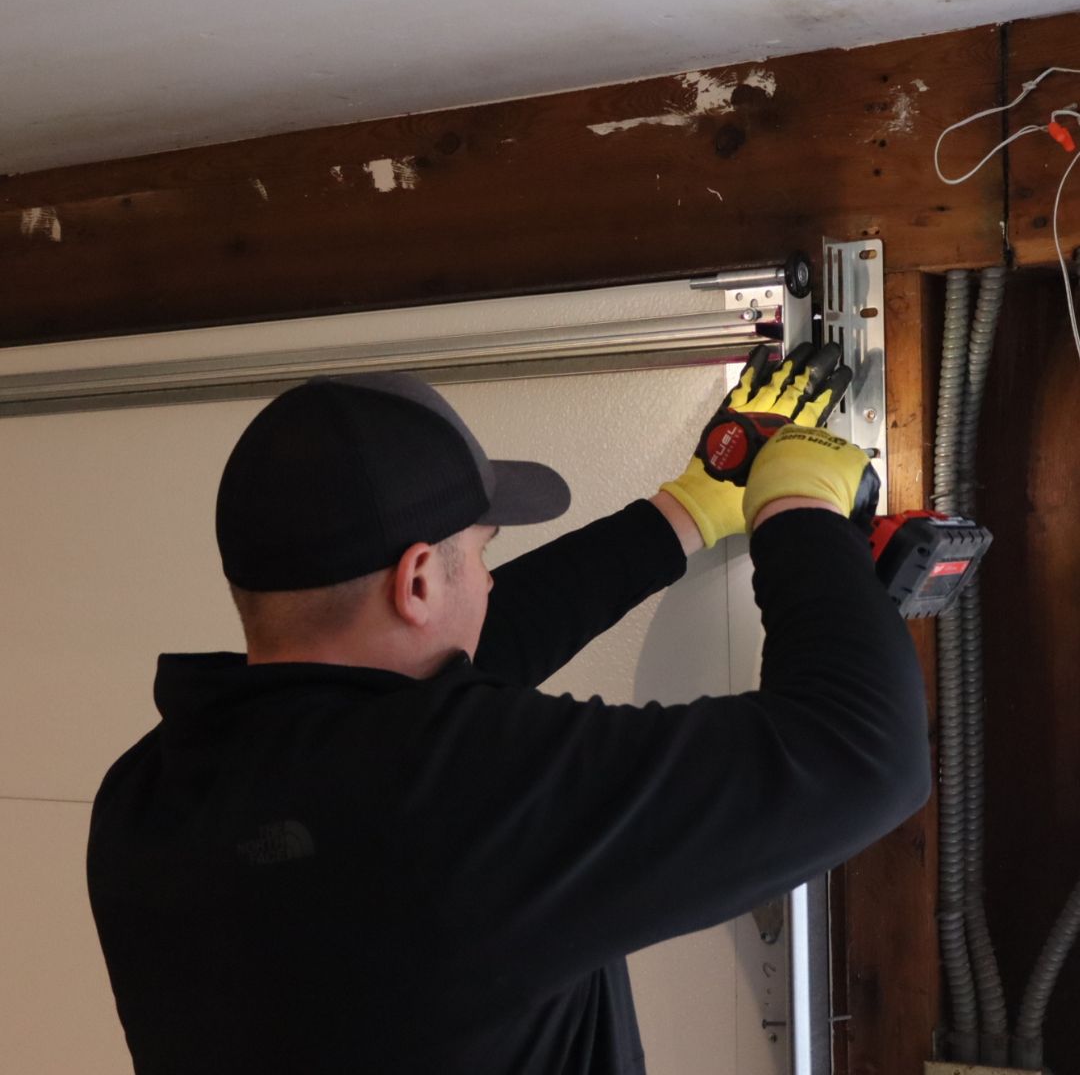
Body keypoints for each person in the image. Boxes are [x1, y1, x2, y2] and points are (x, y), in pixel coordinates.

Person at [87, 346, 930, 1075]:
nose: (490, 582)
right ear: (417, 582)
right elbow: (861, 752)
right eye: (482, 555)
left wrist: (680, 513)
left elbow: (433, 674)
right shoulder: (457, 798)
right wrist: (800, 511)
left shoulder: (145, 801)